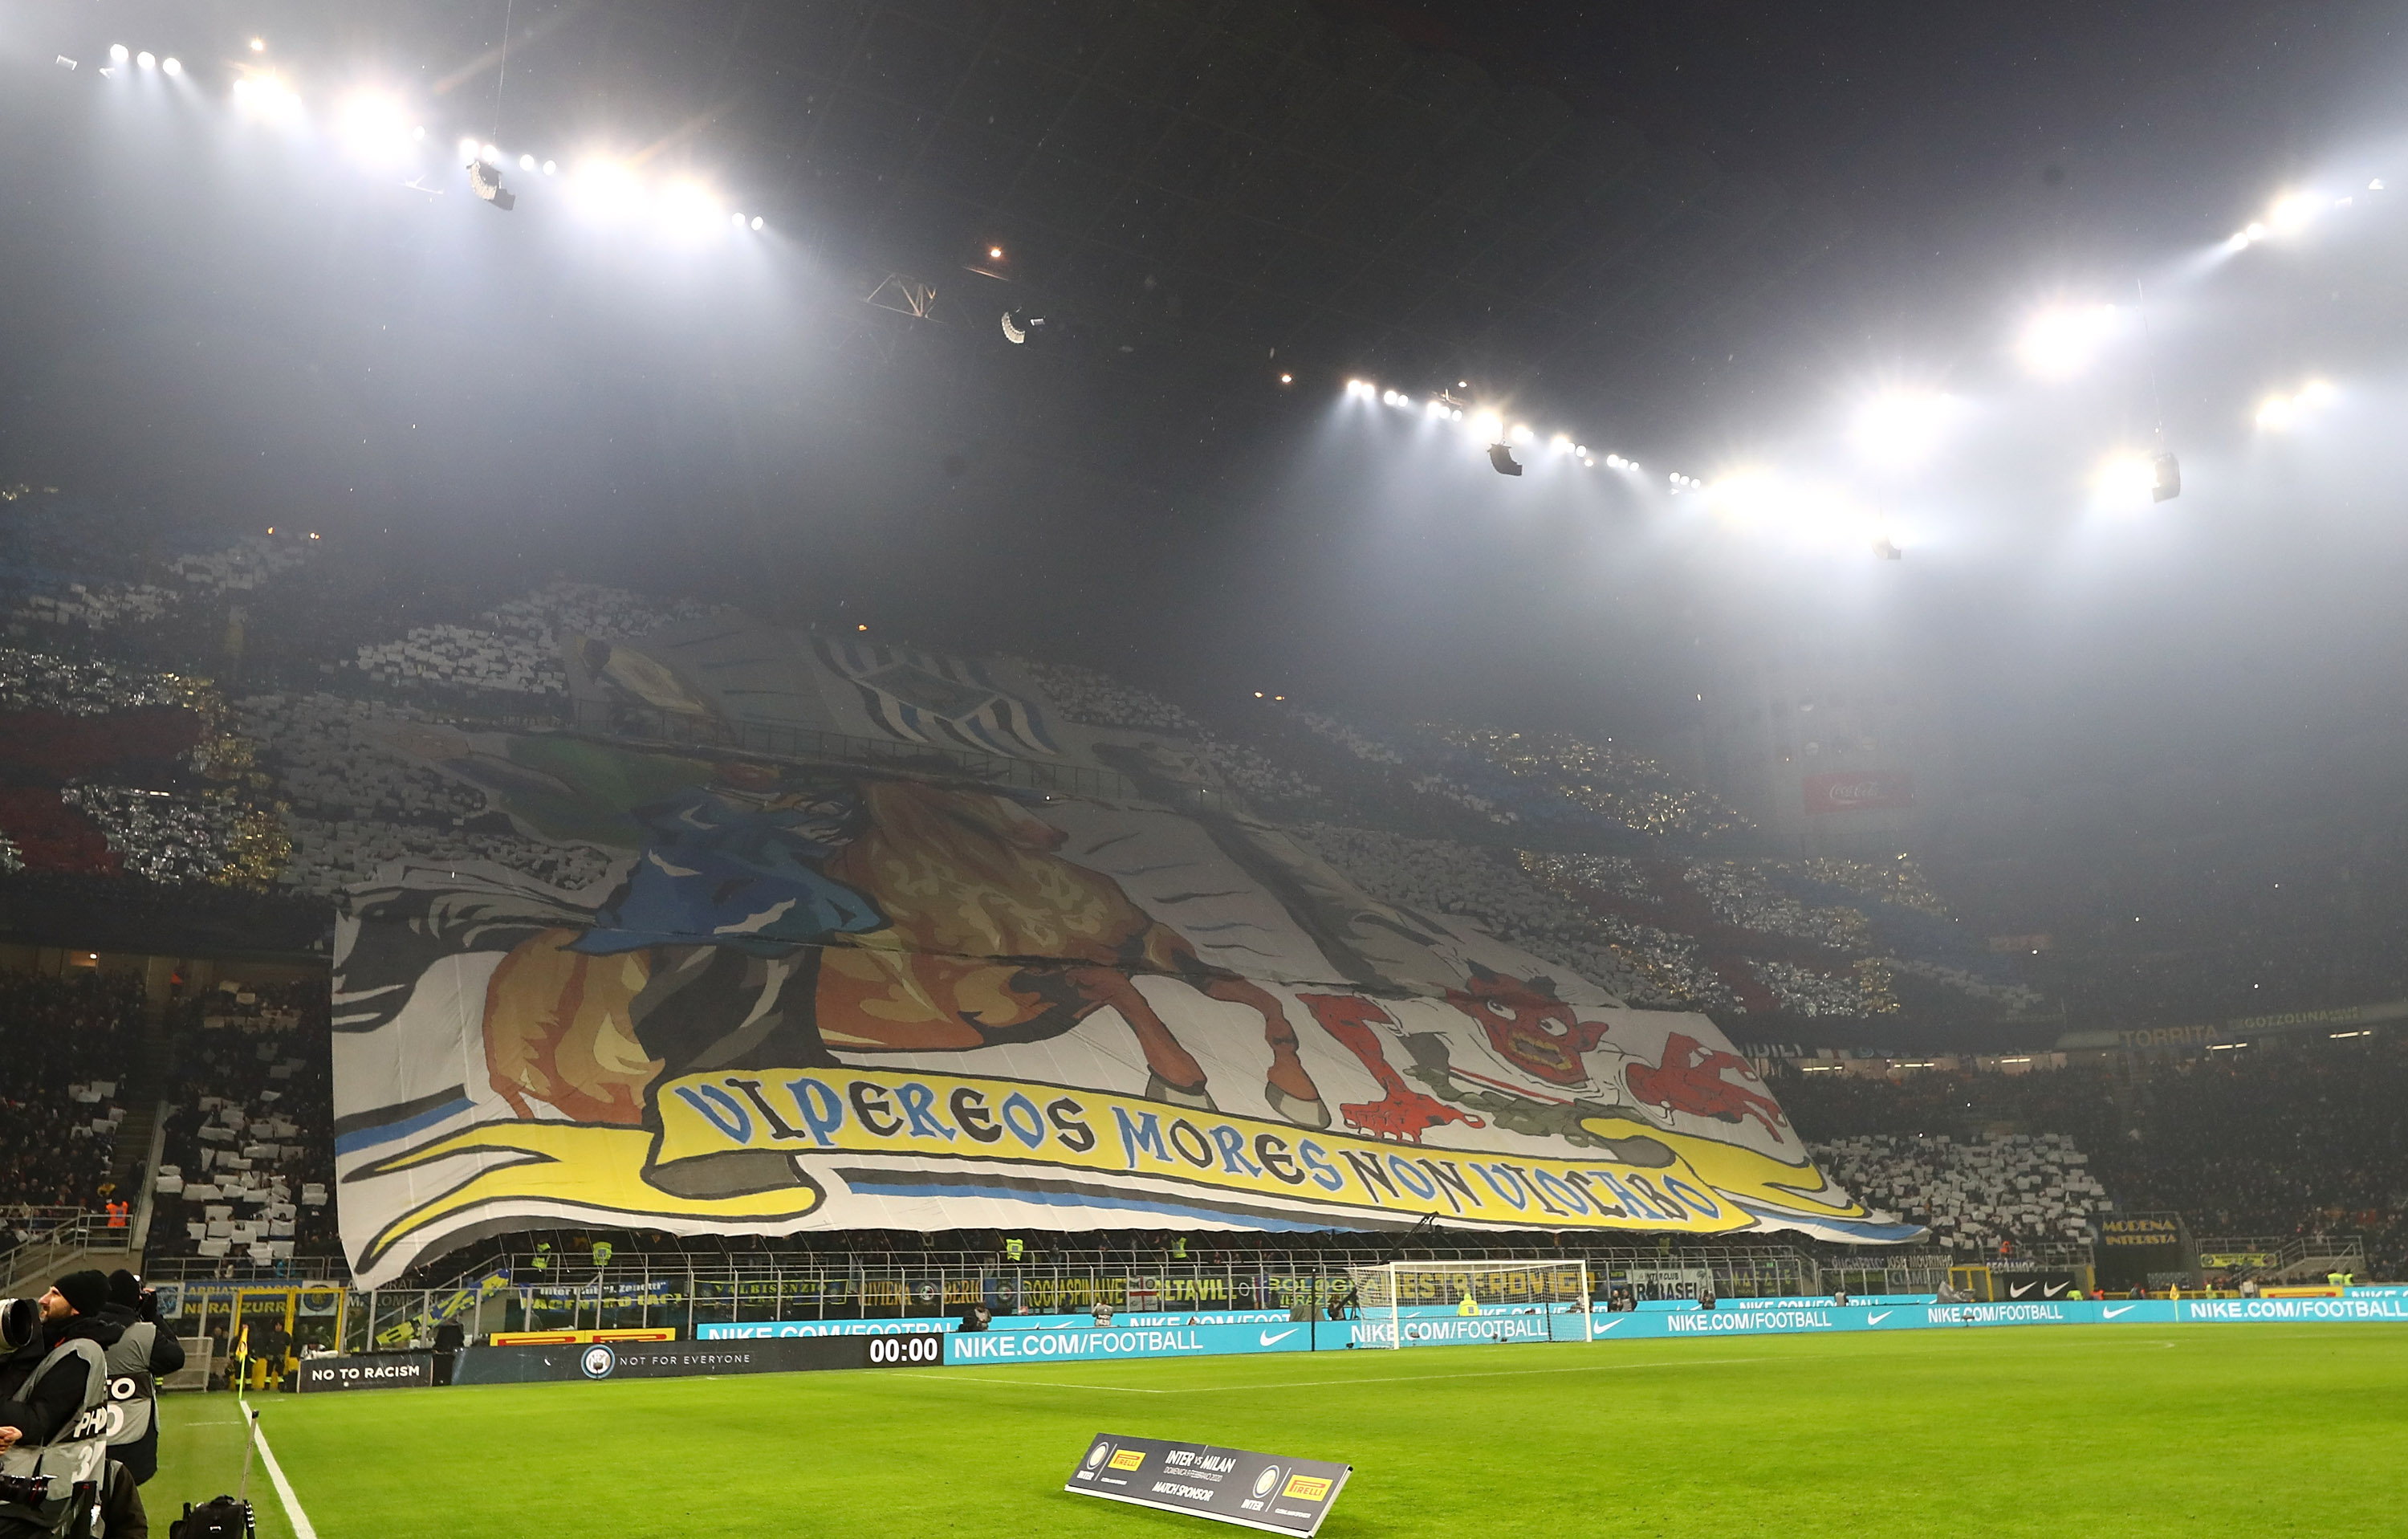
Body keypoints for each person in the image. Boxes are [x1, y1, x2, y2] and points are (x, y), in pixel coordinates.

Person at [0, 1270, 122, 1537]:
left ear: (76, 1307)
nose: (43, 1300)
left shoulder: (80, 1352)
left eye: (55, 1294)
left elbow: (35, 1421)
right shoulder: (53, 1344)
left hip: (34, 1494)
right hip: (28, 1487)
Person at [97, 1270, 183, 1539]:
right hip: (134, 1440)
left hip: (88, 1437)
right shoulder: (145, 1335)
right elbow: (175, 1357)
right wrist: (153, 1315)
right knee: (127, 1518)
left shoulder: (82, 1331)